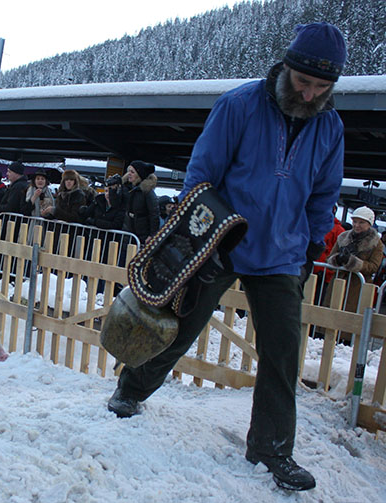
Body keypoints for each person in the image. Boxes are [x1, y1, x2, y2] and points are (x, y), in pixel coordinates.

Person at [107, 23, 348, 492]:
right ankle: (130, 392)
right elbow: (202, 174)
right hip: (223, 241)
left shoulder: (330, 126)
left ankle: (271, 449)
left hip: (283, 253)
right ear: (287, 67)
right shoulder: (239, 105)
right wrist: (204, 236)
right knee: (179, 326)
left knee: (282, 354)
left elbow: (324, 193)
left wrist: (313, 245)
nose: (311, 93)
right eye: (304, 81)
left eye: (322, 87)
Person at [326, 206, 383, 319]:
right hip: (338, 282)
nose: (357, 225)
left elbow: (374, 266)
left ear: (369, 223)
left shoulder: (376, 243)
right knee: (331, 315)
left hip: (358, 287)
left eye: (361, 222)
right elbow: (329, 258)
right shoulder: (343, 237)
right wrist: (337, 259)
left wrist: (353, 262)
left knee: (350, 319)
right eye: (355, 221)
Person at [121, 160, 159, 244]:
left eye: (132, 172)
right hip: (128, 232)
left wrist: (152, 235)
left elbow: (154, 214)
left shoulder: (148, 192)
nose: (129, 174)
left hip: (142, 234)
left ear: (139, 175)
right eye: (128, 171)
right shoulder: (126, 188)